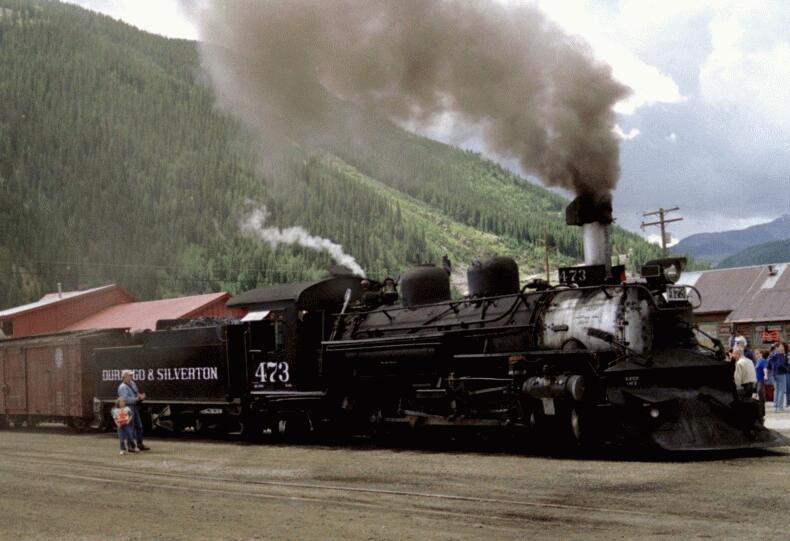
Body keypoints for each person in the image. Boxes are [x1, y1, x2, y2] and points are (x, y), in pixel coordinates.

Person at [118, 370, 150, 451]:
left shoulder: (133, 383)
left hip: (135, 407)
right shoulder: (122, 387)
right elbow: (125, 399)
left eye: (131, 375)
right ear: (124, 377)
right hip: (128, 408)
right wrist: (136, 399)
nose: (131, 377)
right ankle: (130, 446)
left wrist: (140, 396)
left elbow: (136, 393)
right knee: (130, 427)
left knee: (139, 426)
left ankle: (139, 444)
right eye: (129, 375)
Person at [768, 343, 788, 412]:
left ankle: (776, 405)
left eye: (783, 346)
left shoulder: (773, 355)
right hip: (781, 373)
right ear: (778, 348)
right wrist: (787, 368)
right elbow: (781, 365)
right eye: (781, 346)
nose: (782, 348)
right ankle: (780, 407)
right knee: (781, 390)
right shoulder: (781, 355)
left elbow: (769, 363)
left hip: (774, 374)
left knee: (777, 389)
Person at [755, 349, 769, 415]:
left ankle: (762, 408)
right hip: (757, 380)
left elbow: (765, 368)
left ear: (761, 354)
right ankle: (761, 410)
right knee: (759, 393)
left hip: (761, 379)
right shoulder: (757, 361)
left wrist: (766, 375)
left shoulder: (763, 360)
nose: (756, 355)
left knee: (760, 391)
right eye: (755, 354)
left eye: (757, 353)